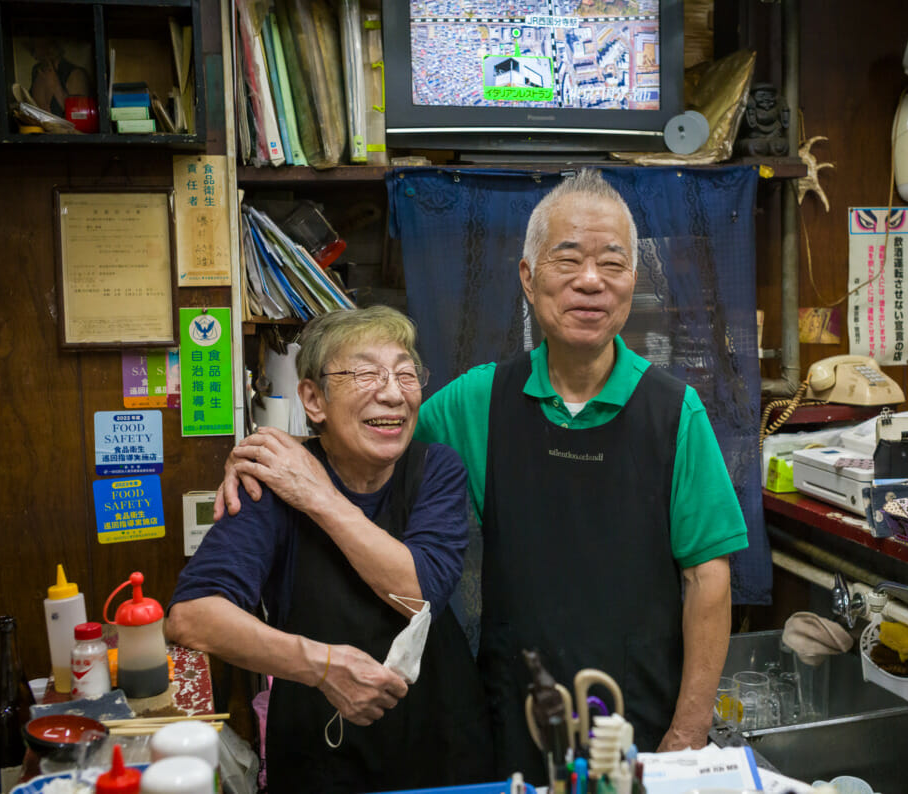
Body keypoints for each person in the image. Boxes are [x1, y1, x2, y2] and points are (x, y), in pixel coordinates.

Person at [219, 170, 749, 780]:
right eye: (568, 259)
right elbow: (370, 434)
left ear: (633, 280)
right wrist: (278, 455)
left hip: (640, 720)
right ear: (527, 278)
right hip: (509, 717)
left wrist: (688, 733)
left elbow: (709, 581)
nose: (590, 281)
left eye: (613, 263)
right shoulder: (480, 400)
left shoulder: (674, 411)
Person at [167, 306, 492, 793]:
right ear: (313, 399)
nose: (393, 392)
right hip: (319, 751)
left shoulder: (435, 470)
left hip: (440, 742)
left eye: (406, 374)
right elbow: (191, 617)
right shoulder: (272, 483)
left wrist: (318, 496)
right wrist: (320, 666)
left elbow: (418, 593)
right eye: (365, 372)